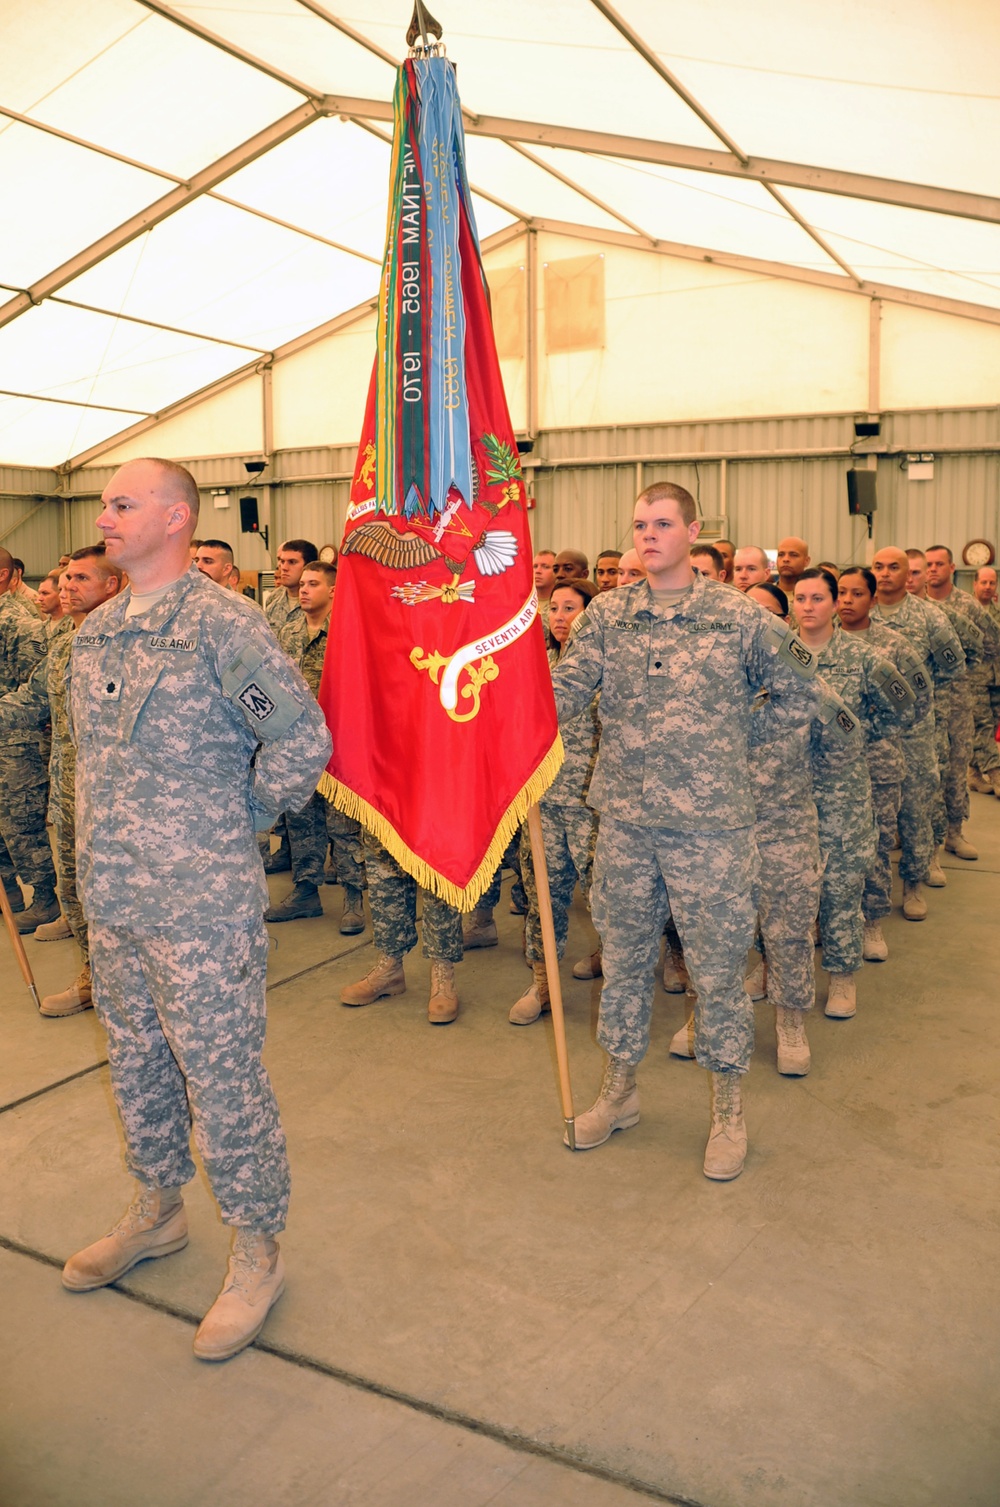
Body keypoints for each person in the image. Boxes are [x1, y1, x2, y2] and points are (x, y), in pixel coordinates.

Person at [61, 457, 331, 1364]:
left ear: (175, 518)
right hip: (117, 897)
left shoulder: (225, 628)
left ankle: (258, 1246)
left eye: (122, 503)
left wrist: (239, 819)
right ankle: (158, 1208)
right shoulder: (93, 634)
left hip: (200, 903)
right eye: (105, 502)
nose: (105, 515)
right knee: (135, 1062)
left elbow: (301, 738)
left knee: (221, 1075)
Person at [551, 481, 820, 1180]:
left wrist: (738, 740)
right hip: (629, 825)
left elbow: (801, 688)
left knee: (718, 972)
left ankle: (728, 1110)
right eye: (639, 523)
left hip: (711, 829)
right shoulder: (608, 615)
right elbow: (566, 692)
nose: (648, 535)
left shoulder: (738, 617)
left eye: (662, 523)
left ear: (692, 531)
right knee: (625, 961)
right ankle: (620, 1090)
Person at [0, 546, 123, 1014]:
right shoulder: (64, 643)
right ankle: (94, 975)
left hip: (115, 796)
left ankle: (128, 984)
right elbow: (33, 700)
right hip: (69, 791)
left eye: (81, 579)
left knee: (112, 893)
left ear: (112, 585)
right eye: (66, 578)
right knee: (74, 888)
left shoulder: (125, 642)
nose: (68, 587)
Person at [793, 569, 912, 1018]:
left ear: (833, 603)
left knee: (841, 886)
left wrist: (861, 735)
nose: (808, 606)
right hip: (785, 791)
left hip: (842, 792)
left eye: (818, 597)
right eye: (801, 597)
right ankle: (772, 968)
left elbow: (903, 705)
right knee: (782, 889)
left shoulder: (862, 658)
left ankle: (842, 976)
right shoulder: (778, 656)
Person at [510, 578, 600, 1024]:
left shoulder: (605, 667)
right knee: (543, 894)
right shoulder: (536, 663)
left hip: (592, 804)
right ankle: (544, 982)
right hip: (542, 800)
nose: (560, 616)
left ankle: (617, 976)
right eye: (554, 608)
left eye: (571, 607)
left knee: (606, 897)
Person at [837, 567, 932, 961]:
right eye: (840, 593)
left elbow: (917, 701)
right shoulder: (818, 644)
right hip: (826, 765)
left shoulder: (892, 647)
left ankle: (871, 919)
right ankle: (830, 919)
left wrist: (870, 730)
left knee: (874, 843)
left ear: (873, 600)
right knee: (828, 846)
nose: (846, 601)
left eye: (856, 594)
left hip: (877, 763)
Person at [871, 547, 963, 919]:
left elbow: (952, 666)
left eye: (894, 567)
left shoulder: (929, 617)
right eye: (878, 567)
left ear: (908, 573)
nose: (886, 574)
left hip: (914, 731)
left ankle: (912, 884)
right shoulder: (861, 614)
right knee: (874, 817)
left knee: (914, 808)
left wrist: (919, 705)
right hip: (873, 732)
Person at [912, 548, 984, 865]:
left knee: (955, 767)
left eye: (938, 564)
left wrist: (964, 675)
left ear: (952, 568)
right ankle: (916, 836)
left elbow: (987, 643)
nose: (931, 570)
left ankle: (953, 832)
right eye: (926, 566)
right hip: (922, 705)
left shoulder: (964, 606)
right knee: (923, 773)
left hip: (956, 701)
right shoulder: (912, 611)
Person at [0, 546, 59, 932]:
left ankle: (45, 898)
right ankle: (9, 897)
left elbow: (36, 688)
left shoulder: (18, 622)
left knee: (20, 824)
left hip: (16, 742)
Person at [261, 538, 319, 872]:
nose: (282, 567)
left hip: (312, 709)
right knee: (285, 793)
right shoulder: (273, 602)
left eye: (291, 562)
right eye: (281, 561)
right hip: (282, 709)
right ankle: (286, 851)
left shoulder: (315, 605)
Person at [968, 566, 1000, 794]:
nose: (988, 587)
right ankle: (996, 773)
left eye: (992, 583)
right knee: (983, 725)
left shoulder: (998, 612)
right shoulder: (967, 611)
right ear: (975, 584)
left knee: (993, 723)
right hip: (974, 678)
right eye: (984, 582)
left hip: (997, 677)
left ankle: (974, 773)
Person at [533, 549, 556, 632]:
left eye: (545, 567)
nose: (538, 571)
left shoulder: (560, 602)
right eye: (535, 566)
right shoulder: (521, 602)